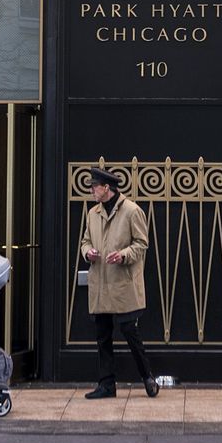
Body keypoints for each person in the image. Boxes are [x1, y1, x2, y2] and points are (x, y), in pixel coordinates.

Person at [81, 167, 159, 399]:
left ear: (107, 188)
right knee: (102, 336)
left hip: (123, 284)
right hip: (101, 283)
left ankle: (147, 377)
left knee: (129, 332)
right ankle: (106, 385)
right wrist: (89, 253)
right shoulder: (93, 213)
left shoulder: (132, 211)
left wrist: (123, 255)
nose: (92, 190)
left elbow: (142, 244)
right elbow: (85, 241)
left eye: (95, 186)